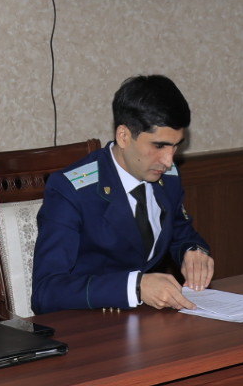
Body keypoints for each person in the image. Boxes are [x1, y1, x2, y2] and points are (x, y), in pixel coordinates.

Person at [32, 75, 213, 313]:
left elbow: (181, 233)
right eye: (158, 146)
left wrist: (193, 252)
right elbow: (47, 292)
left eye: (176, 146)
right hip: (90, 326)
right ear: (124, 136)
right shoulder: (71, 190)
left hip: (148, 323)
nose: (169, 161)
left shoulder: (167, 179)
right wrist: (135, 287)